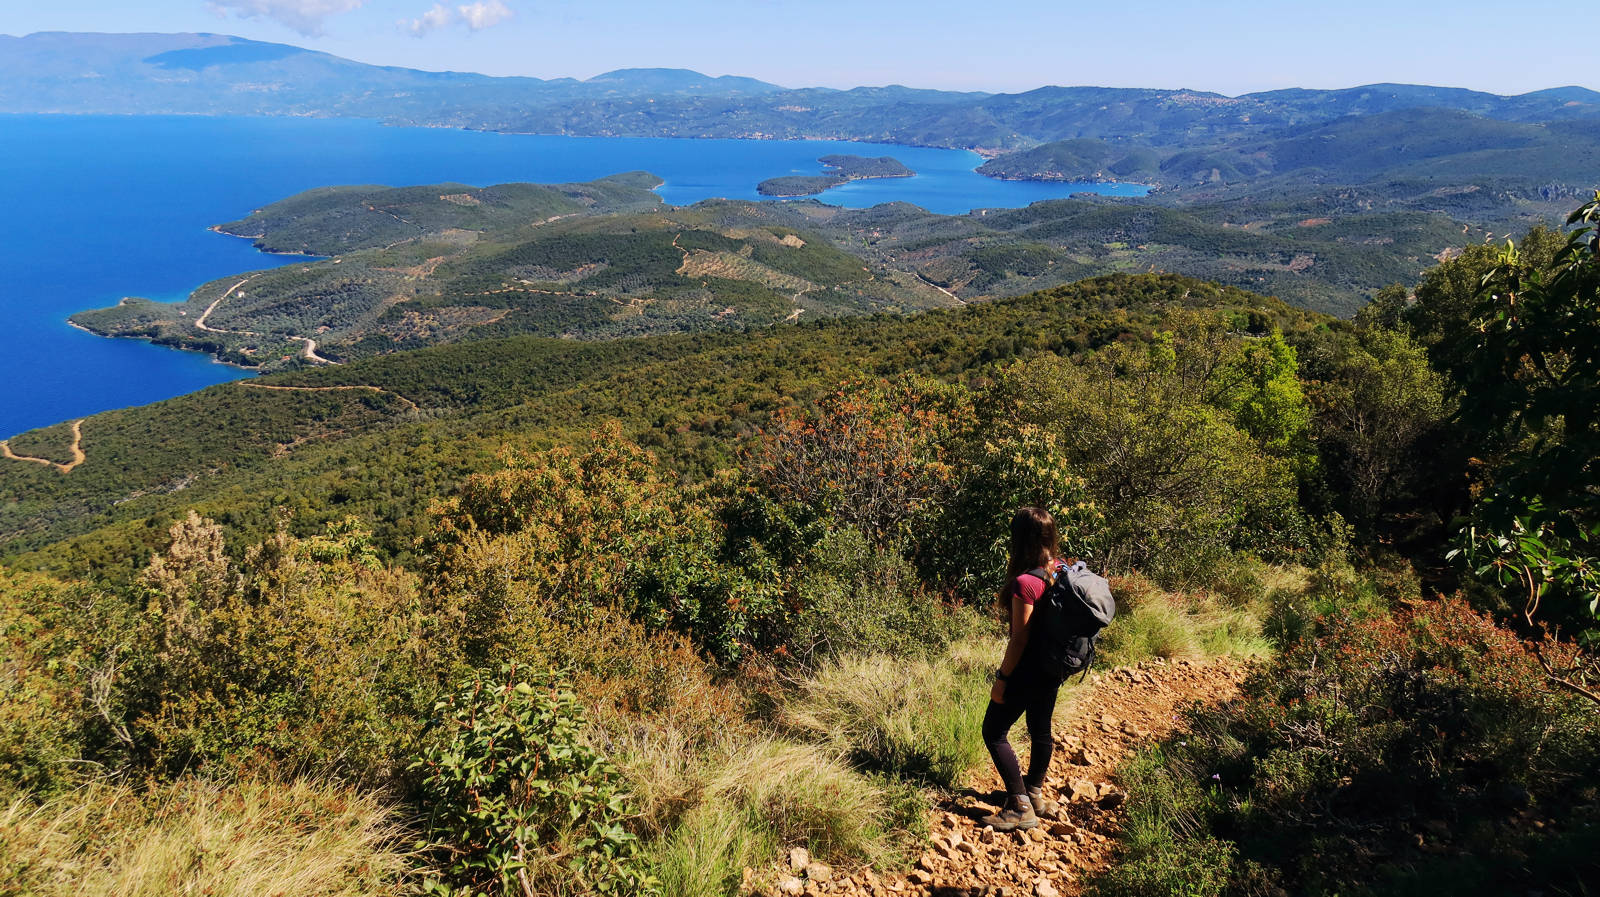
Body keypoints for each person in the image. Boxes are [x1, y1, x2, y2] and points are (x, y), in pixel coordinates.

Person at [979, 506, 1070, 831]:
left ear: (1020, 539)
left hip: (1028, 670)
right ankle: (1033, 792)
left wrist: (1002, 679)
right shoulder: (1060, 569)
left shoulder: (1024, 582)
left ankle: (1019, 806)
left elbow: (1019, 639)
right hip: (1053, 668)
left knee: (993, 731)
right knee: (1040, 729)